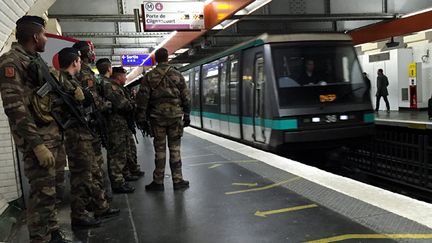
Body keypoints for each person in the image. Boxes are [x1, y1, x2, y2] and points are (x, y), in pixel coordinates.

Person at [0, 16, 70, 242]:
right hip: (37, 140)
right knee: (42, 193)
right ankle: (40, 238)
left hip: (52, 135)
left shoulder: (36, 60)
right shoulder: (11, 62)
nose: (45, 38)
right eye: (43, 34)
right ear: (34, 36)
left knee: (51, 191)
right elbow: (14, 108)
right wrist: (37, 145)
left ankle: (52, 231)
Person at [136, 47, 191, 191]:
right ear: (168, 58)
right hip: (175, 118)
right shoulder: (177, 75)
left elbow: (143, 99)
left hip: (157, 118)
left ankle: (158, 182)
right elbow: (186, 97)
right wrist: (187, 115)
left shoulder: (149, 76)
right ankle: (178, 180)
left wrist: (141, 117)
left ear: (155, 59)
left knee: (159, 150)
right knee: (175, 149)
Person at [72, 42, 117, 205]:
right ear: (85, 53)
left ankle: (97, 199)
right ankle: (99, 200)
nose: (93, 54)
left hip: (84, 125)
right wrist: (107, 105)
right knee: (95, 164)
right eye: (91, 51)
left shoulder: (80, 72)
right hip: (89, 125)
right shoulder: (86, 73)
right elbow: (92, 98)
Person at [103, 66, 137, 193]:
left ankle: (121, 178)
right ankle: (117, 183)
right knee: (117, 154)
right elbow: (124, 104)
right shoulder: (112, 87)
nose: (126, 77)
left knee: (121, 153)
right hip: (115, 126)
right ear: (118, 76)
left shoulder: (117, 88)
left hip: (120, 125)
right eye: (124, 75)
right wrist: (133, 104)